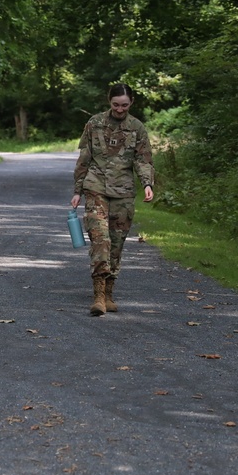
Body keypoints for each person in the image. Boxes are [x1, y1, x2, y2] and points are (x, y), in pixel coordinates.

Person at [70, 83, 155, 316]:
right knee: (100, 239)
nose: (120, 109)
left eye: (124, 105)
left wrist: (147, 183)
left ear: (132, 103)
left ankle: (109, 292)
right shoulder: (94, 123)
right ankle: (97, 295)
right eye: (116, 105)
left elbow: (143, 159)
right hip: (95, 188)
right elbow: (84, 158)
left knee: (116, 244)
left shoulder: (137, 128)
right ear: (109, 102)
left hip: (124, 192)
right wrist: (78, 190)